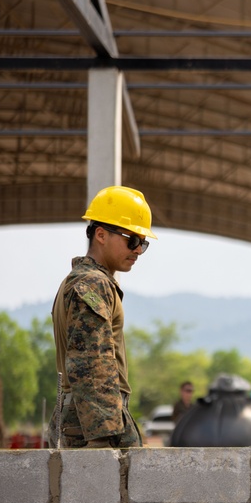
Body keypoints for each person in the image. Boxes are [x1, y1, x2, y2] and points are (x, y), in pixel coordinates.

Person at [51, 186, 156, 448]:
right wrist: (102, 440)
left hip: (87, 416)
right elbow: (91, 362)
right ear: (101, 234)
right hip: (94, 423)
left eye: (143, 243)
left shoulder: (81, 281)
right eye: (132, 240)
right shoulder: (92, 283)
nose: (138, 251)